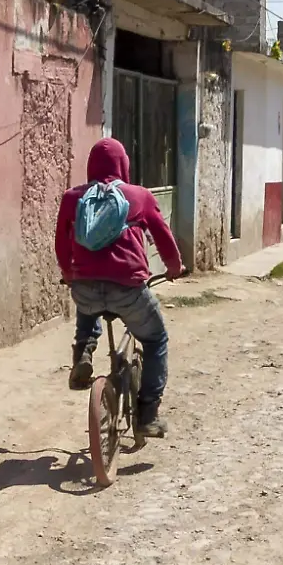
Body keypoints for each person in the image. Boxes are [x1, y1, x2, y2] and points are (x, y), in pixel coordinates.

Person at [55, 137, 184, 437]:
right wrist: (174, 268)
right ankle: (148, 414)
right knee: (155, 340)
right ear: (123, 164)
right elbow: (163, 238)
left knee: (88, 303)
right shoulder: (139, 196)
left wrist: (69, 273)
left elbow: (62, 245)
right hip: (128, 289)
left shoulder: (72, 198)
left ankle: (83, 355)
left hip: (85, 288)